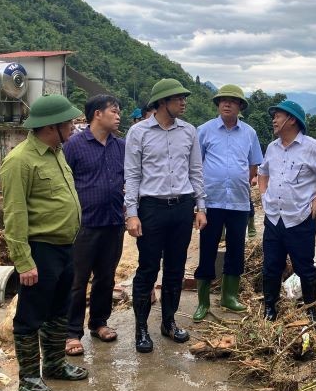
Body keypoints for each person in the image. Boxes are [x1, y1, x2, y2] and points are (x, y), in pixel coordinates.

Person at [0, 94, 88, 391]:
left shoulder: (57, 152)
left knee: (58, 310)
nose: (75, 128)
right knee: (30, 316)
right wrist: (24, 262)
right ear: (52, 127)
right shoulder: (20, 161)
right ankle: (28, 379)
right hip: (40, 250)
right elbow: (14, 214)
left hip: (65, 247)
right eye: (70, 124)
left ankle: (53, 365)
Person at [124, 78, 207, 353]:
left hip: (182, 207)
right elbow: (133, 176)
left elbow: (196, 171)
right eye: (177, 98)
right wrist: (132, 214)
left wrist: (201, 207)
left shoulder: (189, 132)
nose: (183, 102)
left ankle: (168, 323)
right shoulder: (139, 133)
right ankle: (141, 329)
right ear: (161, 102)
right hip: (152, 208)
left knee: (175, 267)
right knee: (147, 269)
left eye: (184, 98)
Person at [258, 100, 316, 329]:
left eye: (277, 116)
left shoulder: (312, 147)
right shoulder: (272, 148)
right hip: (274, 218)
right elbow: (262, 172)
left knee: (304, 268)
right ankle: (269, 308)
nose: (273, 120)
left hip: (300, 219)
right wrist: (264, 195)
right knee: (271, 266)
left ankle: (311, 311)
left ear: (291, 119)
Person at [192, 85, 262, 322]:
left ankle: (229, 296)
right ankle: (203, 301)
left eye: (233, 101)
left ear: (240, 106)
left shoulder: (249, 133)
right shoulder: (204, 131)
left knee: (236, 249)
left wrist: (241, 177)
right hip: (211, 201)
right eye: (223, 100)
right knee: (208, 248)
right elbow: (196, 165)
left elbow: (254, 165)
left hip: (239, 202)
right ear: (218, 104)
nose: (227, 104)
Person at [63, 95, 126, 356]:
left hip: (113, 222)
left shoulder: (120, 146)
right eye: (114, 111)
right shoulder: (74, 145)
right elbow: (64, 183)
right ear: (97, 114)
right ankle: (71, 332)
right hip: (84, 224)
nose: (118, 115)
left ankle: (99, 322)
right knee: (77, 280)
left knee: (106, 277)